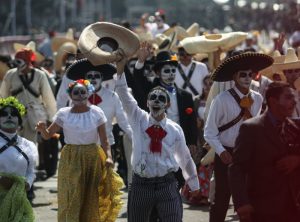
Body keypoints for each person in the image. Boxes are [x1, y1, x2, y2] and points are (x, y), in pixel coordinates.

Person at [115, 53, 200, 222]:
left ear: (167, 104)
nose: (156, 101)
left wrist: (193, 182)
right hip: (141, 185)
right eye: (152, 98)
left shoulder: (175, 129)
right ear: (147, 103)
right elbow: (123, 94)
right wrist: (120, 69)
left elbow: (185, 157)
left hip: (167, 185)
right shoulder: (138, 119)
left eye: (161, 98)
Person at [35, 79, 123, 222]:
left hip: (92, 156)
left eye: (83, 92)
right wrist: (42, 129)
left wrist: (109, 157)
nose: (80, 95)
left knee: (91, 195)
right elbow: (47, 136)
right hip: (71, 157)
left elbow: (105, 140)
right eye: (76, 92)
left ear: (88, 94)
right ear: (71, 95)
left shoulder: (96, 112)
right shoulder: (63, 113)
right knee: (72, 194)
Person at [204, 52, 273, 222]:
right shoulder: (221, 100)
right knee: (221, 199)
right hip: (226, 153)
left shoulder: (257, 98)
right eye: (243, 74)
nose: (248, 78)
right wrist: (220, 151)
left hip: (248, 155)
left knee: (248, 199)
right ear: (234, 77)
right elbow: (209, 131)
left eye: (250, 74)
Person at [229, 81, 300, 222]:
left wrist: (297, 160)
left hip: (292, 207)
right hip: (262, 208)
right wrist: (242, 203)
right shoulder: (251, 129)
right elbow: (236, 168)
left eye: (294, 97)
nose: (294, 102)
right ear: (273, 101)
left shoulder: (295, 128)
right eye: (288, 98)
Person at [65, 58, 133, 187]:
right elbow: (70, 121)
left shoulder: (112, 96)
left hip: (106, 146)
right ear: (84, 79)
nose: (93, 79)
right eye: (89, 76)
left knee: (103, 182)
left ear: (102, 78)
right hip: (82, 147)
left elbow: (123, 122)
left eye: (96, 76)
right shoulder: (75, 98)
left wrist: (135, 137)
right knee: (84, 183)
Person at [0, 96, 37, 221]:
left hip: (20, 198)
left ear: (20, 122)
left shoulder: (29, 145)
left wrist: (27, 184)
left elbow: (31, 172)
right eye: (4, 114)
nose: (9, 117)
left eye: (14, 114)